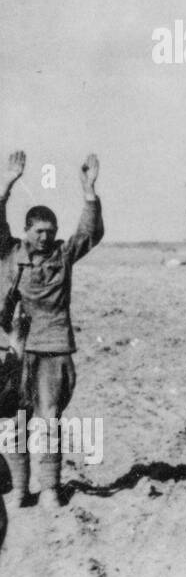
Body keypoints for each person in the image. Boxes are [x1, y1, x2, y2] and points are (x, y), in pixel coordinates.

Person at [0, 150, 103, 511]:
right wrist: (8, 185)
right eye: (38, 231)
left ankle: (48, 488)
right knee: (11, 420)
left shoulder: (62, 255)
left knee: (49, 419)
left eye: (50, 232)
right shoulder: (12, 254)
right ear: (26, 231)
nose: (45, 237)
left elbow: (90, 233)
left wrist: (88, 191)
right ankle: (17, 490)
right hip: (18, 347)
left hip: (55, 347)